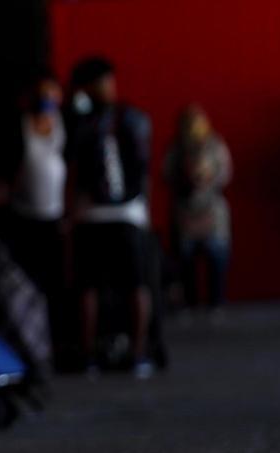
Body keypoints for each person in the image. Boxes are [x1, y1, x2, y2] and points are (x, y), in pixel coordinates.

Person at [66, 56, 155, 378]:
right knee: (104, 285)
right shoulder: (115, 118)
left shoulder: (101, 119)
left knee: (125, 283)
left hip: (112, 212)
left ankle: (128, 352)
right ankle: (122, 353)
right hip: (110, 213)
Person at [0, 72, 67, 299]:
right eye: (42, 93)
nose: (47, 98)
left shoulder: (66, 124)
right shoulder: (18, 125)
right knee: (25, 275)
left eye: (52, 93)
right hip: (23, 213)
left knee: (55, 277)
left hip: (56, 213)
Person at [164, 104, 232, 313]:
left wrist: (207, 177)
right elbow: (166, 174)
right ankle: (190, 301)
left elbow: (226, 172)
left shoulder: (215, 145)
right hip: (185, 210)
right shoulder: (176, 148)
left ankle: (216, 301)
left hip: (212, 210)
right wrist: (186, 178)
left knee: (217, 257)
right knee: (185, 260)